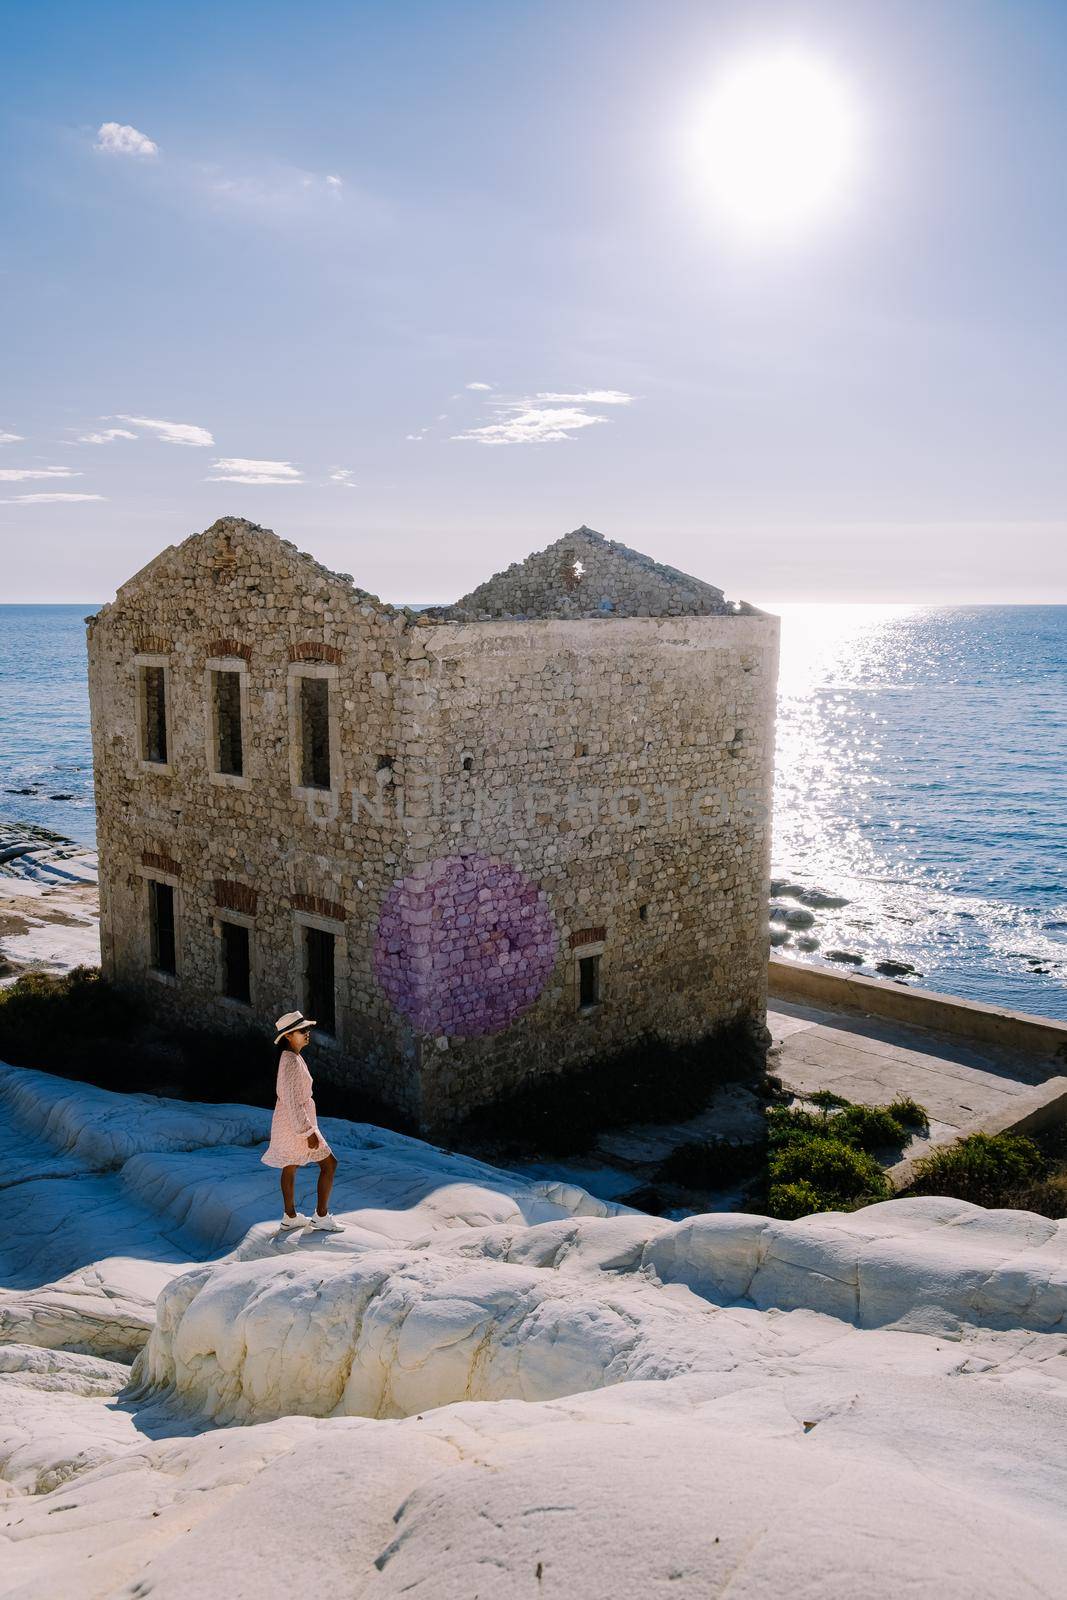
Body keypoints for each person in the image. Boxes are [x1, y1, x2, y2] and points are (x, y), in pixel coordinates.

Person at [261, 1010, 343, 1232]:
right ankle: (321, 1216)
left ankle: (290, 1217)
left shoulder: (292, 1057)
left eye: (307, 1029)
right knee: (329, 1164)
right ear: (288, 1035)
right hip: (295, 1123)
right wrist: (308, 1132)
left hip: (289, 1120)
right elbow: (292, 1100)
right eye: (302, 1030)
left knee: (290, 1165)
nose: (308, 1033)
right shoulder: (290, 1061)